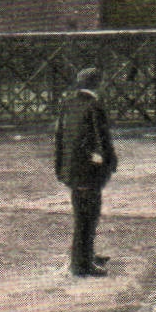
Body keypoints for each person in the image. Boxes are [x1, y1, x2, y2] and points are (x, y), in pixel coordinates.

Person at [54, 67, 117, 277]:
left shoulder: (68, 105)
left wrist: (61, 169)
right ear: (97, 84)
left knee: (81, 214)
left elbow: (59, 137)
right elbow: (102, 140)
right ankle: (81, 264)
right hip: (89, 170)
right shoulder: (94, 106)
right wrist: (110, 163)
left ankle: (85, 255)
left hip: (71, 170)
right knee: (89, 216)